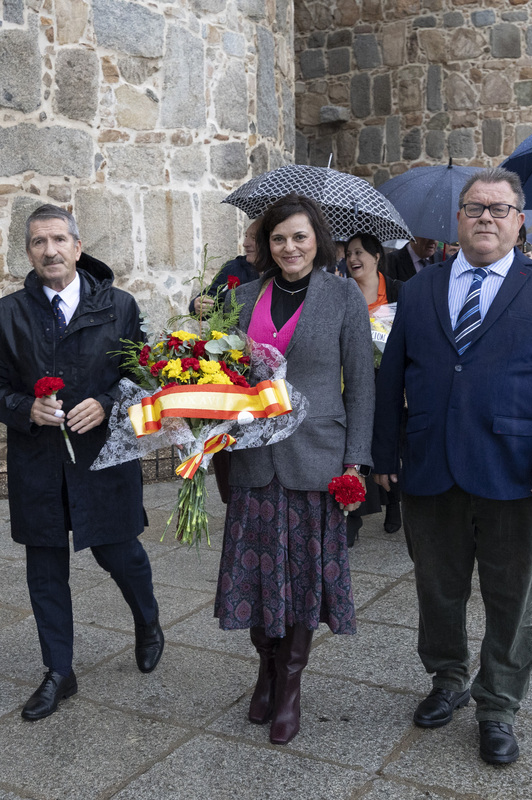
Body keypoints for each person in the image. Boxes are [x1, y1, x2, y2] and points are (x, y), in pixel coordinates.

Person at [373, 167, 532, 766]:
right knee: (438, 589)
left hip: (519, 473)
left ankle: (498, 705)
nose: (486, 219)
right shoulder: (420, 290)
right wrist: (385, 452)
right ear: (459, 219)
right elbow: (393, 375)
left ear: (520, 221)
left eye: (499, 210)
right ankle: (447, 678)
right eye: (475, 208)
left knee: (510, 597)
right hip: (430, 467)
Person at [0, 204, 164, 720]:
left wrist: (105, 402)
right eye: (39, 242)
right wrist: (24, 408)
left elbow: (145, 374)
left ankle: (147, 619)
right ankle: (59, 670)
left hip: (103, 459)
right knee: (45, 570)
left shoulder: (119, 306)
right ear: (29, 252)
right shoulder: (9, 313)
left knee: (119, 555)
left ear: (78, 248)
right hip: (38, 461)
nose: (50, 250)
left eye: (59, 239)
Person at [214, 193, 374, 745]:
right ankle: (265, 667)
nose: (289, 247)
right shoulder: (242, 299)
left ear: (317, 240)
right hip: (254, 460)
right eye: (279, 238)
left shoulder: (343, 298)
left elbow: (363, 385)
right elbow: (224, 381)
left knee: (304, 579)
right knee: (257, 575)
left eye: (300, 237)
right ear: (266, 243)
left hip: (316, 461)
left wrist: (356, 462)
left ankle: (290, 686)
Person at [342, 231, 404, 542]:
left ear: (377, 256)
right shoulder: (342, 293)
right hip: (351, 381)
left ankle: (394, 502)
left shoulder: (397, 291)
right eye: (349, 254)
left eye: (359, 253)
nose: (352, 259)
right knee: (353, 446)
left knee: (389, 443)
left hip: (389, 382)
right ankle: (351, 515)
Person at [191, 219, 261, 315]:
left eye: (254, 238)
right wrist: (198, 305)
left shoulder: (282, 271)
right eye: (246, 236)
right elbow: (210, 300)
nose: (245, 244)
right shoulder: (234, 268)